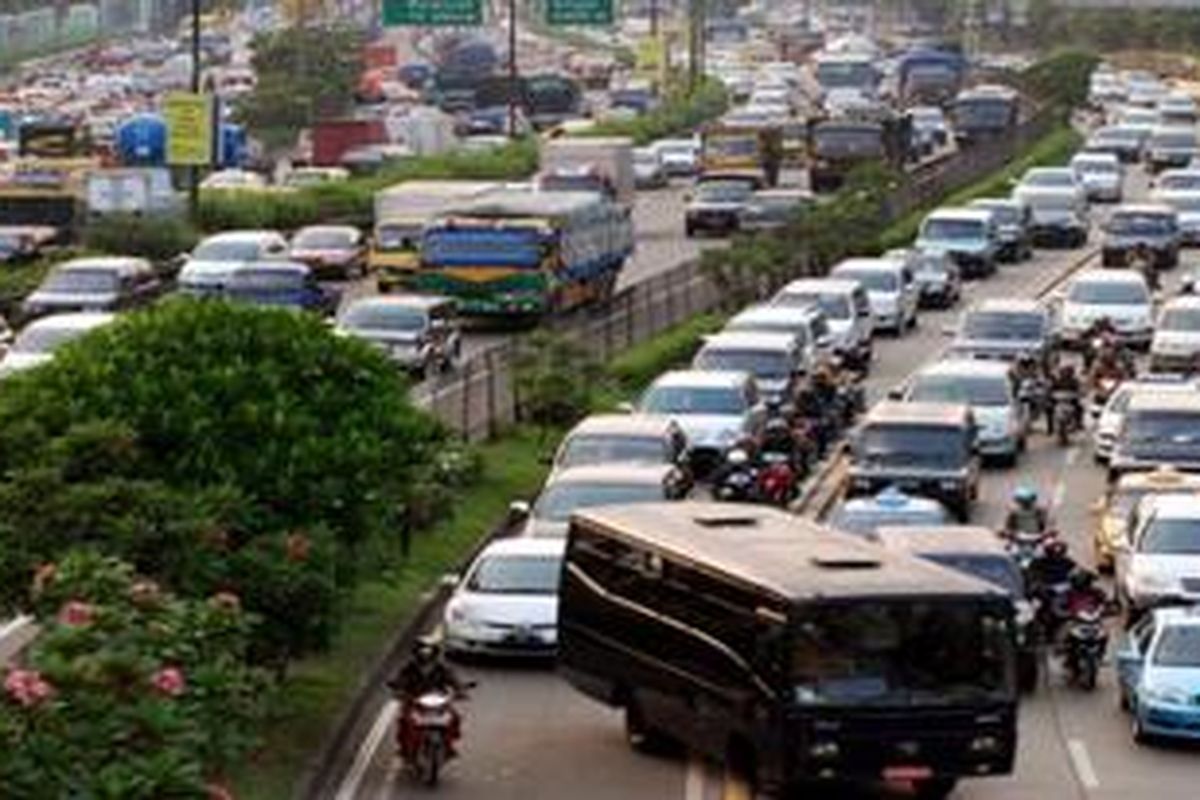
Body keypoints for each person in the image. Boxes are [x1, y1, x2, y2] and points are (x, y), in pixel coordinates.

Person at [389, 637, 466, 761]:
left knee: (454, 717)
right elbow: (399, 679)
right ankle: (404, 748)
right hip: (414, 699)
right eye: (423, 651)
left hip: (437, 700)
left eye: (429, 651)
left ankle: (449, 745)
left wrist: (460, 690)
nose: (426, 654)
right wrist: (398, 689)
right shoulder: (409, 667)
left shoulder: (442, 667)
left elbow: (453, 679)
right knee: (404, 720)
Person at [1046, 364, 1083, 434]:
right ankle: (1050, 427)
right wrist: (1050, 397)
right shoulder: (1057, 382)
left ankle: (1079, 423)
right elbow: (1051, 391)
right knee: (1048, 408)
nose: (1066, 373)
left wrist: (1078, 395)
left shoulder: (1074, 382)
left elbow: (1078, 391)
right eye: (1064, 372)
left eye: (1068, 372)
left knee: (1080, 408)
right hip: (1058, 402)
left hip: (1070, 401)